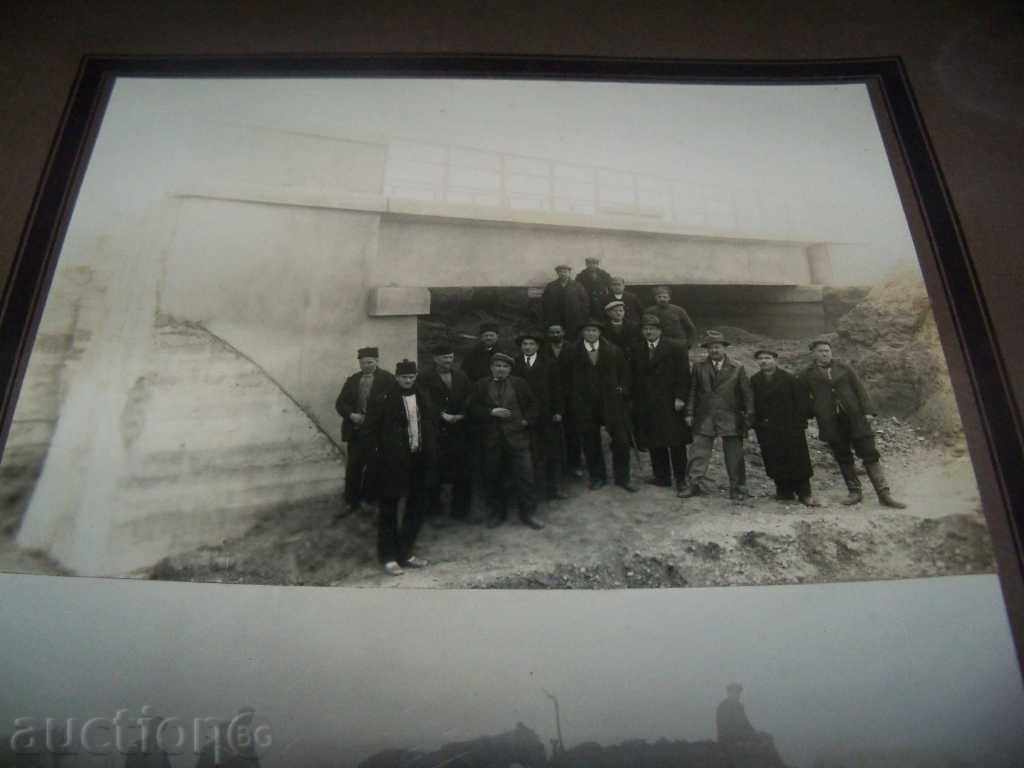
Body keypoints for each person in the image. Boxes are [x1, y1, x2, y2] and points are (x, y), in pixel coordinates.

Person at [803, 340, 906, 508]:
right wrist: (814, 412)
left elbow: (860, 389)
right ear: (813, 354)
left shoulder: (844, 368)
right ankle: (854, 493)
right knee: (843, 455)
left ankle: (884, 494)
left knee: (869, 453)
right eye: (821, 351)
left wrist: (868, 411)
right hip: (831, 422)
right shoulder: (806, 374)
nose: (825, 354)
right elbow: (804, 398)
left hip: (855, 418)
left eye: (827, 350)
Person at [364, 359, 437, 575]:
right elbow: (369, 431)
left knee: (417, 505)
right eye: (404, 377)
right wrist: (377, 458)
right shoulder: (382, 399)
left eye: (411, 377)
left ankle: (405, 552)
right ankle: (388, 557)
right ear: (396, 378)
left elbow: (430, 425)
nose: (408, 380)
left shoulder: (423, 396)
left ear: (415, 377)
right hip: (391, 462)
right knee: (389, 508)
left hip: (419, 459)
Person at [467, 352, 545, 529]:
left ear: (510, 369)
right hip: (492, 440)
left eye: (505, 366)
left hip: (518, 438)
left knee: (526, 476)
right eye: (497, 366)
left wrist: (526, 421)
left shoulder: (519, 384)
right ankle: (497, 513)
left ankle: (528, 514)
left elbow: (534, 405)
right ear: (491, 367)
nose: (501, 369)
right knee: (494, 477)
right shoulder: (481, 385)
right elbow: (471, 408)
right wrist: (490, 412)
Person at [680, 330, 754, 500]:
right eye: (711, 347)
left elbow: (747, 394)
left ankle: (738, 488)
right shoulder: (699, 367)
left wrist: (749, 417)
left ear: (724, 348)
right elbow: (692, 392)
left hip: (731, 417)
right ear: (707, 349)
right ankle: (693, 484)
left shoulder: (737, 368)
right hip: (705, 416)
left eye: (718, 347)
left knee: (734, 455)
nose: (714, 350)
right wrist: (689, 413)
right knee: (698, 453)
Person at [568, 319, 637, 492]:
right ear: (582, 333)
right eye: (587, 330)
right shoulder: (571, 352)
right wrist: (573, 398)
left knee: (621, 440)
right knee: (591, 442)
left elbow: (626, 372)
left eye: (594, 330)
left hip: (611, 402)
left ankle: (622, 478)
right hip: (585, 404)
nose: (591, 333)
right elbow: (563, 378)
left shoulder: (613, 350)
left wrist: (623, 389)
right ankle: (597, 477)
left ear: (600, 332)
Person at [750, 349, 819, 506]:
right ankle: (784, 492)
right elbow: (752, 404)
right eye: (760, 359)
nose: (764, 361)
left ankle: (804, 493)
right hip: (767, 428)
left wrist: (800, 424)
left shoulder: (789, 379)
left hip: (790, 428)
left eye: (767, 358)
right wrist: (757, 424)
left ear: (775, 360)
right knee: (774, 458)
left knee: (798, 460)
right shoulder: (754, 380)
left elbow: (802, 402)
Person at [631, 315, 692, 492]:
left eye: (652, 328)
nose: (648, 332)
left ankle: (681, 479)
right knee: (654, 440)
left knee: (675, 442)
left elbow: (684, 375)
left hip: (670, 402)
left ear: (660, 330)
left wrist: (680, 397)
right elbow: (634, 375)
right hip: (647, 402)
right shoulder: (637, 348)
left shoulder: (676, 347)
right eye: (645, 329)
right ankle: (662, 476)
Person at [334, 346, 395, 517]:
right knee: (354, 466)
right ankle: (351, 501)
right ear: (359, 363)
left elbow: (392, 406)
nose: (366, 365)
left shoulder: (388, 379)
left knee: (374, 467)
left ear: (377, 361)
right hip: (355, 431)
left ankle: (370, 500)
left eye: (370, 362)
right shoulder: (353, 380)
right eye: (363, 363)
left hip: (377, 432)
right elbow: (340, 403)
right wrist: (351, 415)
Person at [418, 343, 473, 523]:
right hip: (436, 430)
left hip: (459, 429)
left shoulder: (461, 375)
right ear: (435, 359)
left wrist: (462, 414)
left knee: (462, 469)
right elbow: (423, 400)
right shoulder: (425, 377)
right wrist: (441, 415)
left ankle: (461, 509)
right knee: (434, 469)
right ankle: (434, 508)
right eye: (444, 357)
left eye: (450, 357)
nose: (448, 361)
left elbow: (469, 396)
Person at [513, 330, 568, 501]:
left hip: (546, 414)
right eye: (524, 344)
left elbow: (558, 388)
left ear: (537, 346)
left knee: (552, 452)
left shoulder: (549, 363)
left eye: (531, 344)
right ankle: (531, 489)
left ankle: (554, 488)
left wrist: (558, 411)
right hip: (524, 416)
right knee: (529, 453)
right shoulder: (514, 364)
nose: (528, 347)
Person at [543, 322, 585, 480]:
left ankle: (575, 464)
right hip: (552, 395)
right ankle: (558, 466)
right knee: (554, 433)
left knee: (572, 431)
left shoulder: (573, 348)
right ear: (548, 334)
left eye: (557, 332)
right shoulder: (543, 350)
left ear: (564, 332)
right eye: (552, 332)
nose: (555, 335)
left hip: (571, 396)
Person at [715, 684, 786, 768]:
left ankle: (778, 765)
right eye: (734, 692)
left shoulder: (739, 707)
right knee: (761, 745)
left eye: (738, 692)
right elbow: (725, 727)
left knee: (767, 738)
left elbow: (747, 724)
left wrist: (756, 734)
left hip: (741, 736)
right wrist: (746, 735)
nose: (737, 695)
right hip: (729, 738)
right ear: (729, 693)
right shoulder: (724, 707)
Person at [541, 264, 590, 340]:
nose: (563, 274)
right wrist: (548, 316)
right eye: (560, 272)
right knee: (556, 337)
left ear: (569, 273)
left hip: (573, 318)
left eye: (565, 272)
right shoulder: (551, 286)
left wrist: (582, 317)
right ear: (557, 273)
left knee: (572, 337)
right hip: (556, 317)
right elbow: (544, 302)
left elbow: (585, 302)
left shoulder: (577, 285)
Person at [643, 285, 697, 349]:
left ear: (669, 298)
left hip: (678, 343)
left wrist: (689, 343)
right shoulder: (649, 311)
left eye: (665, 297)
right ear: (655, 298)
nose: (662, 299)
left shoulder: (679, 310)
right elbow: (645, 329)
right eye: (659, 297)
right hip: (659, 345)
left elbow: (690, 328)